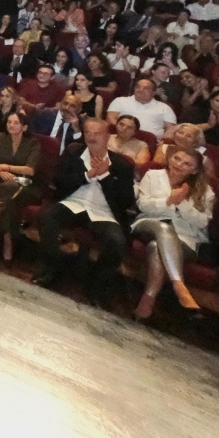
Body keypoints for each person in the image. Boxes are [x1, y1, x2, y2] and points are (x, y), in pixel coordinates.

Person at [33, 119, 136, 307]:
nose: (91, 137)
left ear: (107, 136)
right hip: (73, 203)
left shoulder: (122, 165)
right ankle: (51, 269)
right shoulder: (74, 152)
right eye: (88, 132)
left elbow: (125, 201)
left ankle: (96, 285)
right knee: (47, 217)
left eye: (97, 133)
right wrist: (87, 176)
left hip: (103, 212)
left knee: (117, 241)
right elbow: (59, 180)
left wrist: (104, 176)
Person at [132, 147, 215, 319]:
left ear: (195, 170)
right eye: (176, 158)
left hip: (185, 238)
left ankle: (147, 300)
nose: (179, 164)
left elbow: (202, 222)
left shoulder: (206, 191)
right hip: (149, 224)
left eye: (187, 164)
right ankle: (179, 285)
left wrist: (181, 203)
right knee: (164, 229)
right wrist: (169, 201)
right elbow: (143, 205)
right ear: (169, 158)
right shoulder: (153, 176)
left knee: (156, 248)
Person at [0, 110, 41, 261]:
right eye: (9, 122)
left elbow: (30, 169)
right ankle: (8, 242)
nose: (11, 125)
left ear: (24, 127)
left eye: (16, 123)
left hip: (25, 183)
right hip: (0, 180)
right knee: (8, 203)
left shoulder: (33, 143)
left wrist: (6, 167)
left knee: (6, 188)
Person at [106, 78, 177, 140]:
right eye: (138, 87)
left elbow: (171, 129)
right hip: (122, 138)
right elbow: (111, 119)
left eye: (146, 88)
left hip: (150, 143)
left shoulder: (164, 108)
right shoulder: (120, 101)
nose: (140, 90)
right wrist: (127, 131)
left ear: (153, 93)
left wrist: (162, 142)